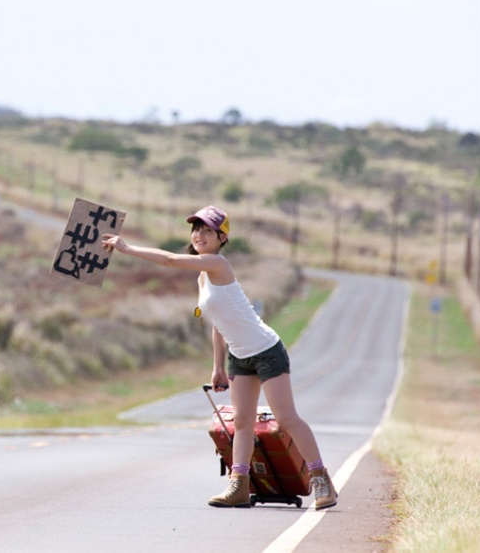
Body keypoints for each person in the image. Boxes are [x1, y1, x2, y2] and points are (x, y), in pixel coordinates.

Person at [100, 205, 337, 510]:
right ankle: (239, 485)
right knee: (241, 423)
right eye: (196, 229)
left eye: (207, 230)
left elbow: (170, 260)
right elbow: (218, 324)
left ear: (222, 238)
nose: (199, 235)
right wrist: (217, 367)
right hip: (239, 357)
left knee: (287, 418)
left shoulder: (218, 265)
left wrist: (127, 248)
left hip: (266, 351)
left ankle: (321, 480)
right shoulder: (202, 276)